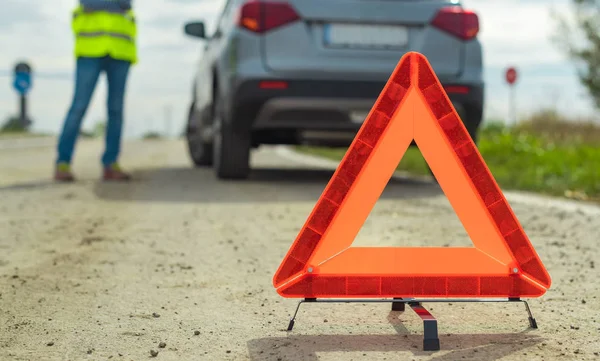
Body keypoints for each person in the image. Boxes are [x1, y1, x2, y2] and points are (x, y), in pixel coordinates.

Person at [54, 0, 137, 182]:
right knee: (79, 107)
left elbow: (126, 4)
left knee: (116, 111)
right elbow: (88, 2)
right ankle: (63, 162)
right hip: (90, 49)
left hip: (120, 50)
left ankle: (111, 163)